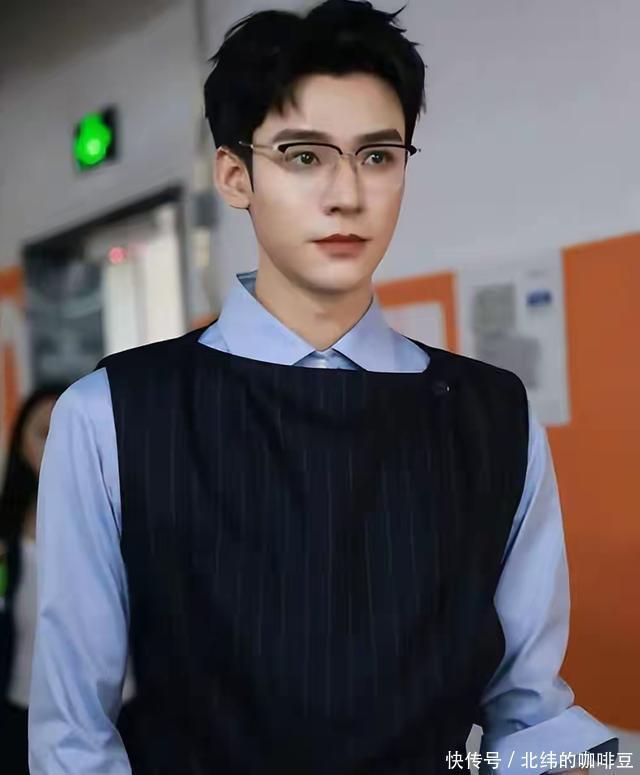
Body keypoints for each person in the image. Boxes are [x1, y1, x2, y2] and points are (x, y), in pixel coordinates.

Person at [28, 1, 618, 773]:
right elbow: (74, 741)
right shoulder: (112, 415)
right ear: (235, 175)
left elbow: (529, 714)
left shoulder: (493, 416)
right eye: (304, 156)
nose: (347, 193)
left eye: (377, 156)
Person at [0, 386, 64, 774]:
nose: (56, 443)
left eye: (65, 430)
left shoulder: (122, 515)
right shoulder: (6, 532)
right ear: (22, 445)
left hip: (115, 708)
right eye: (43, 433)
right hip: (23, 707)